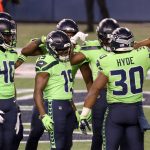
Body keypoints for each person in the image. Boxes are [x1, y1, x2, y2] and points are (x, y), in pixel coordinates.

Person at [22, 18, 92, 150]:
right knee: (36, 132)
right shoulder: (52, 50)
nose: (69, 37)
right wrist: (42, 39)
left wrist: (86, 108)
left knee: (66, 141)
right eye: (65, 34)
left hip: (66, 96)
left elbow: (89, 81)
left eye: (72, 34)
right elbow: (25, 51)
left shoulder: (76, 53)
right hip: (48, 98)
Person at [80, 27, 150, 150]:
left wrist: (84, 114)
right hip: (135, 113)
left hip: (115, 113)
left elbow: (95, 89)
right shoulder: (143, 55)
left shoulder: (107, 60)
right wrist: (136, 45)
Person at [70, 18, 119, 150]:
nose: (109, 42)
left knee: (119, 135)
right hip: (100, 95)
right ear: (99, 37)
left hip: (120, 94)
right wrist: (72, 42)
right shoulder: (90, 46)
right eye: (105, 39)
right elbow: (71, 60)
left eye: (111, 39)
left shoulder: (124, 44)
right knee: (98, 136)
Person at [34, 30, 77, 149]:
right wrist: (43, 115)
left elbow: (67, 89)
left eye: (66, 50)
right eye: (60, 50)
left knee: (68, 144)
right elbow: (37, 92)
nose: (64, 53)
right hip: (54, 105)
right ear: (51, 48)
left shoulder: (67, 58)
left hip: (68, 104)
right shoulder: (46, 62)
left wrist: (75, 109)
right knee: (57, 145)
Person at [0, 12, 23, 150]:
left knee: (10, 143)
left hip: (10, 103)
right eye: (7, 35)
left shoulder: (12, 54)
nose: (10, 38)